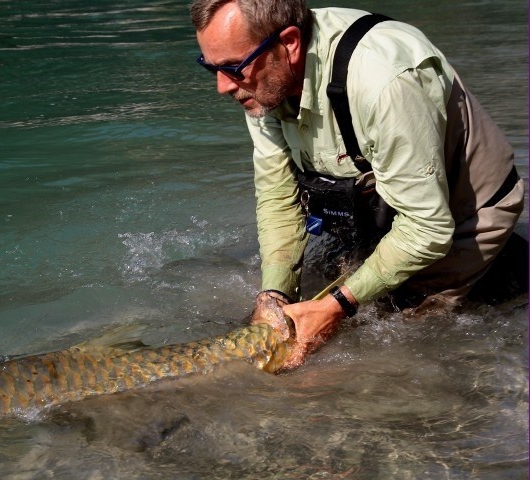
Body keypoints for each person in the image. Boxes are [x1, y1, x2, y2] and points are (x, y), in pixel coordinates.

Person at [190, 0, 525, 368]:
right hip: (384, 207)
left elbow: (428, 227)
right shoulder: (261, 83)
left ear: (289, 43)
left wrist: (340, 305)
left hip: (465, 217)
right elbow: (277, 196)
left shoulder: (385, 80)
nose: (223, 86)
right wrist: (275, 295)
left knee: (401, 341)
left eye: (232, 67)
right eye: (210, 68)